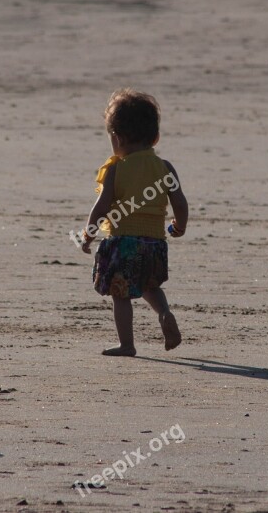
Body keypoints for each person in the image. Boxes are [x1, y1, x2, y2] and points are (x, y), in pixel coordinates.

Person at [78, 88, 189, 356]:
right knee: (150, 285)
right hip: (154, 242)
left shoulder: (116, 168)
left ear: (117, 138)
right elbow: (180, 203)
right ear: (155, 137)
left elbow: (101, 207)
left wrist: (88, 234)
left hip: (123, 241)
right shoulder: (165, 167)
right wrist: (179, 226)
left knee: (121, 294)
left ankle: (127, 344)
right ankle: (164, 314)